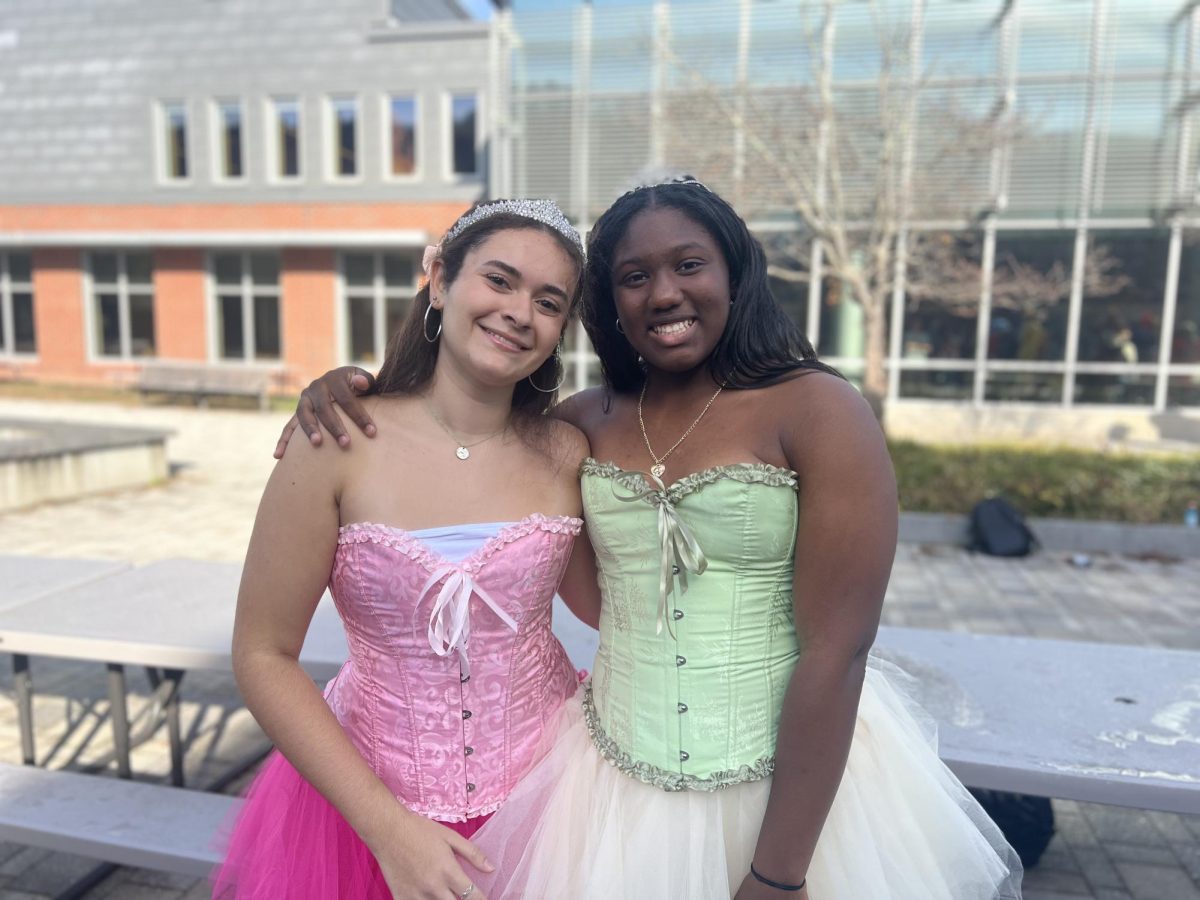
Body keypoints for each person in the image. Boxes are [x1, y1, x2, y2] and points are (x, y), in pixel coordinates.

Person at [282, 177, 1022, 899]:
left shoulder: (820, 409)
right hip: (605, 785)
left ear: (734, 273)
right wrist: (350, 385)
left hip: (785, 787)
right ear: (609, 304)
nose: (664, 293)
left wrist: (778, 873)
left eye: (689, 265)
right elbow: (472, 430)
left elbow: (839, 648)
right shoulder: (582, 424)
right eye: (634, 276)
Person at [214, 198, 593, 900]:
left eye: (548, 301)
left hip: (553, 802)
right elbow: (262, 653)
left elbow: (616, 609)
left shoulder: (569, 452)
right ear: (440, 279)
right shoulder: (335, 440)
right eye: (500, 280)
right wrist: (388, 831)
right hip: (368, 809)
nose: (519, 312)